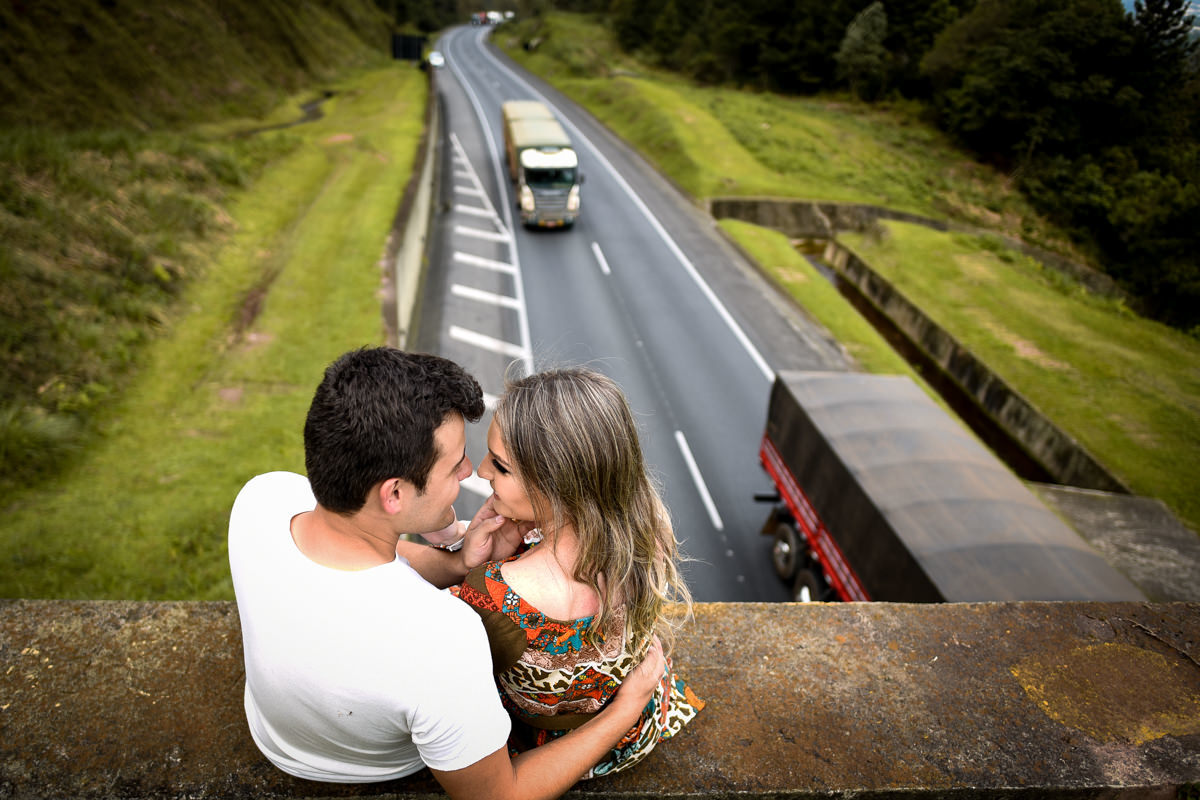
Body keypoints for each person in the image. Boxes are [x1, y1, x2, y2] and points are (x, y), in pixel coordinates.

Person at [228, 347, 667, 800]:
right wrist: (626, 709)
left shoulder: (264, 499)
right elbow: (498, 797)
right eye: (454, 463)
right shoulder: (444, 639)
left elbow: (368, 551)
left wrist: (459, 563)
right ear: (394, 493)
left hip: (273, 731)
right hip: (368, 768)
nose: (470, 471)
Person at [456, 367, 704, 777]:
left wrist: (476, 567)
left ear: (555, 484)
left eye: (500, 467)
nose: (482, 472)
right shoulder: (649, 531)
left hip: (545, 759)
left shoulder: (492, 596)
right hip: (643, 725)